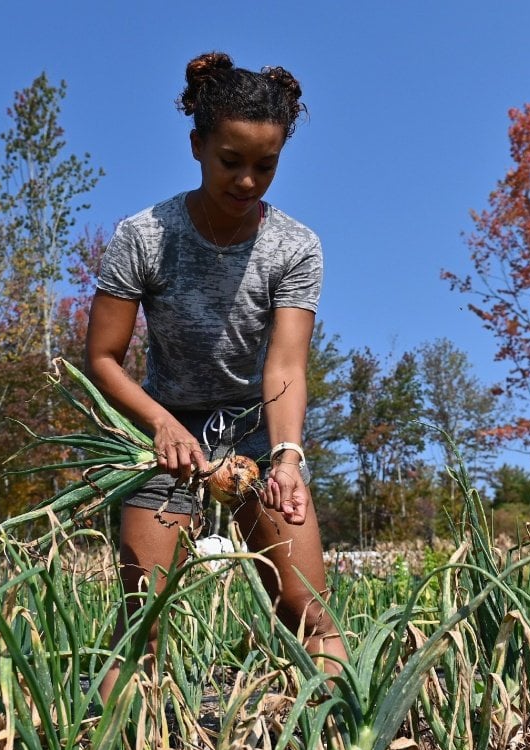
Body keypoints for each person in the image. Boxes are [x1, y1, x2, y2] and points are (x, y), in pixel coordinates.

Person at [86, 51, 347, 699]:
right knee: (143, 619)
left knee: (306, 609)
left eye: (266, 165)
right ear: (198, 145)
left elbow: (285, 365)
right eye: (231, 161)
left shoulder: (294, 246)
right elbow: (101, 359)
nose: (248, 180)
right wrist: (162, 426)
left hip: (258, 436)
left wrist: (286, 455)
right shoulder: (146, 237)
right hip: (166, 434)